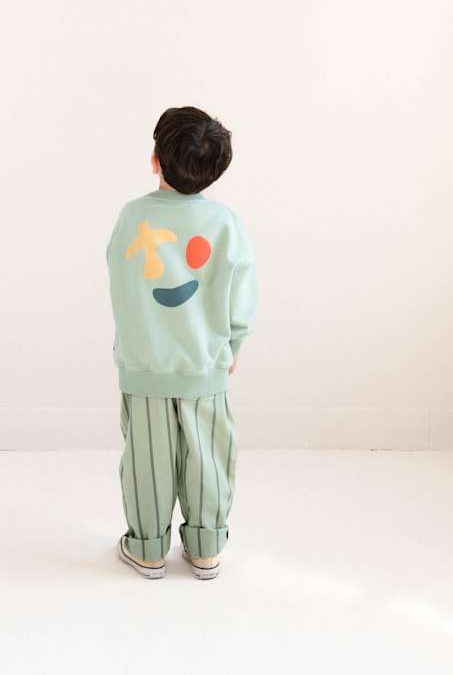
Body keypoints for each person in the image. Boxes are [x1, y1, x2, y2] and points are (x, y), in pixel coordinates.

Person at [106, 106, 257, 580]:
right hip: (205, 364)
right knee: (208, 461)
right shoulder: (225, 222)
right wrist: (233, 345)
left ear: (155, 160)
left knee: (147, 463)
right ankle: (206, 548)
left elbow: (119, 279)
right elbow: (242, 293)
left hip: (145, 366)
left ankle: (148, 549)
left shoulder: (132, 216)